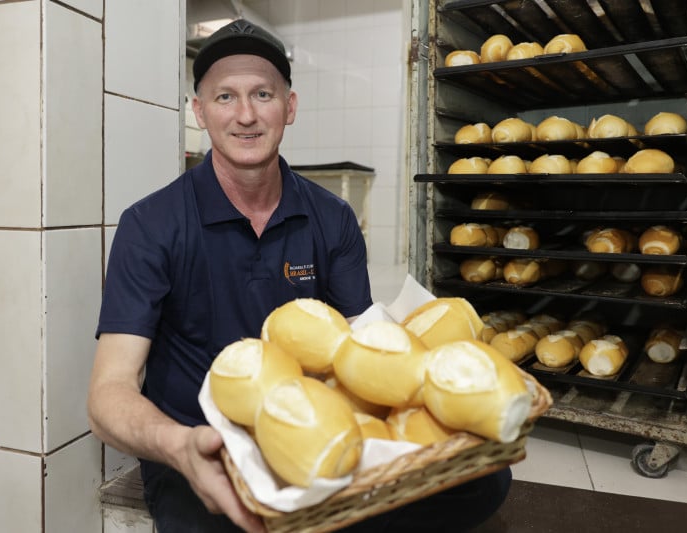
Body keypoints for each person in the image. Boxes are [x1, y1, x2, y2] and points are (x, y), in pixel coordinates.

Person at [87, 19, 510, 533]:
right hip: (207, 450)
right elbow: (108, 392)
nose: (245, 115)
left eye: (263, 94)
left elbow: (363, 347)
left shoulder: (331, 218)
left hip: (312, 435)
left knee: (485, 480)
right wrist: (178, 447)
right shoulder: (150, 225)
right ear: (199, 112)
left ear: (289, 107)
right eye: (225, 97)